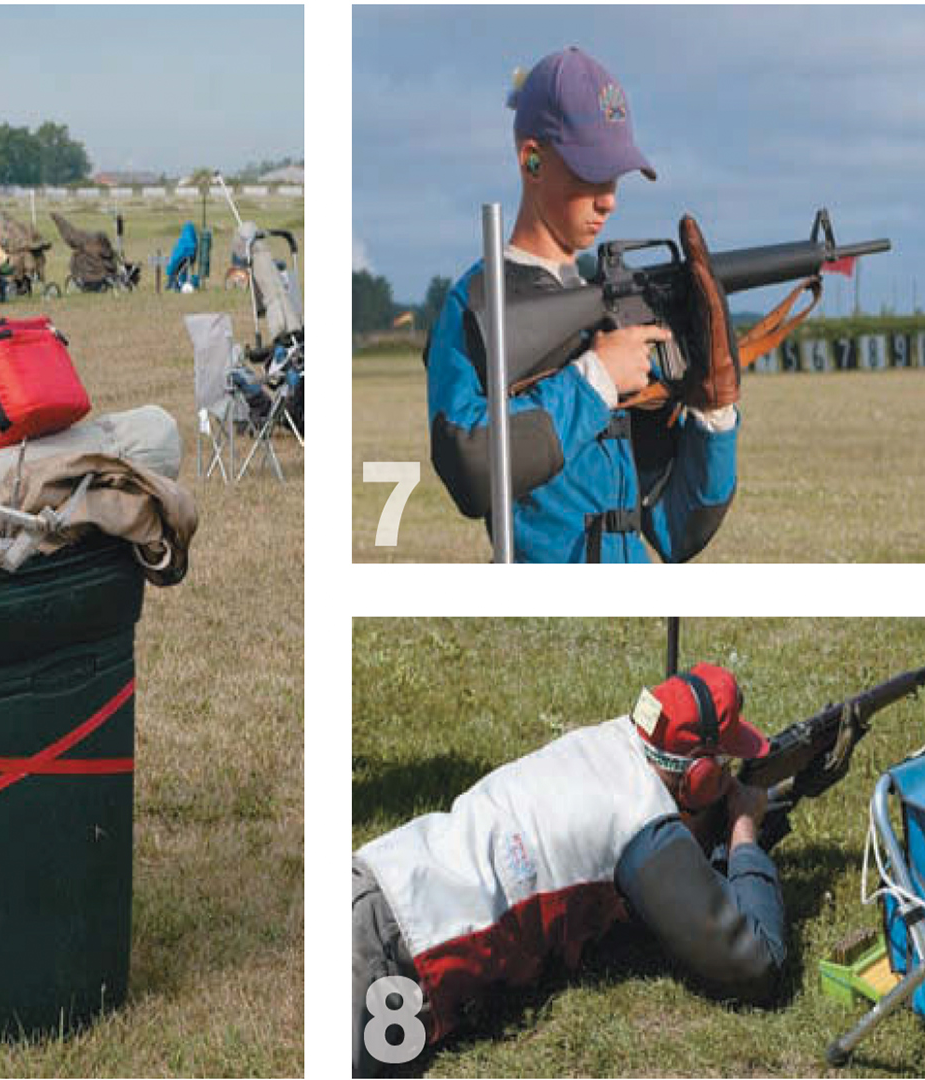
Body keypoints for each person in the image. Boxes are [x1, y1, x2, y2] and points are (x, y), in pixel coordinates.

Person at [351, 663, 787, 1076]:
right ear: (700, 777)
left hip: (377, 883)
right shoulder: (640, 819)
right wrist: (743, 832)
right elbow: (755, 964)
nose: (731, 783)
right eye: (725, 770)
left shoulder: (607, 742)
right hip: (388, 956)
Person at [425, 47, 738, 562]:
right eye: (590, 173)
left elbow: (676, 529)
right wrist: (596, 380)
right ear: (531, 159)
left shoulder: (611, 307)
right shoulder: (478, 303)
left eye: (613, 177)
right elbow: (470, 468)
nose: (609, 198)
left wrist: (714, 415)